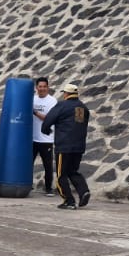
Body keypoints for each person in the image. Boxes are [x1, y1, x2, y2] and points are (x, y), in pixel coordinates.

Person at [41, 82, 91, 210]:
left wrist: (46, 130)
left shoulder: (62, 106)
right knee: (72, 171)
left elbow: (48, 120)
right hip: (78, 147)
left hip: (64, 147)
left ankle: (69, 201)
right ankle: (84, 191)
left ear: (66, 94)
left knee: (61, 175)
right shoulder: (82, 108)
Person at [31, 76, 57, 196]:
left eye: (44, 87)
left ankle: (48, 189)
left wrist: (35, 112)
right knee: (27, 164)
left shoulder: (52, 101)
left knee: (47, 165)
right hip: (32, 138)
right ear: (36, 88)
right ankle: (27, 185)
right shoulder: (32, 99)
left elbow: (48, 119)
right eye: (40, 87)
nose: (42, 89)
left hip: (46, 139)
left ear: (48, 87)